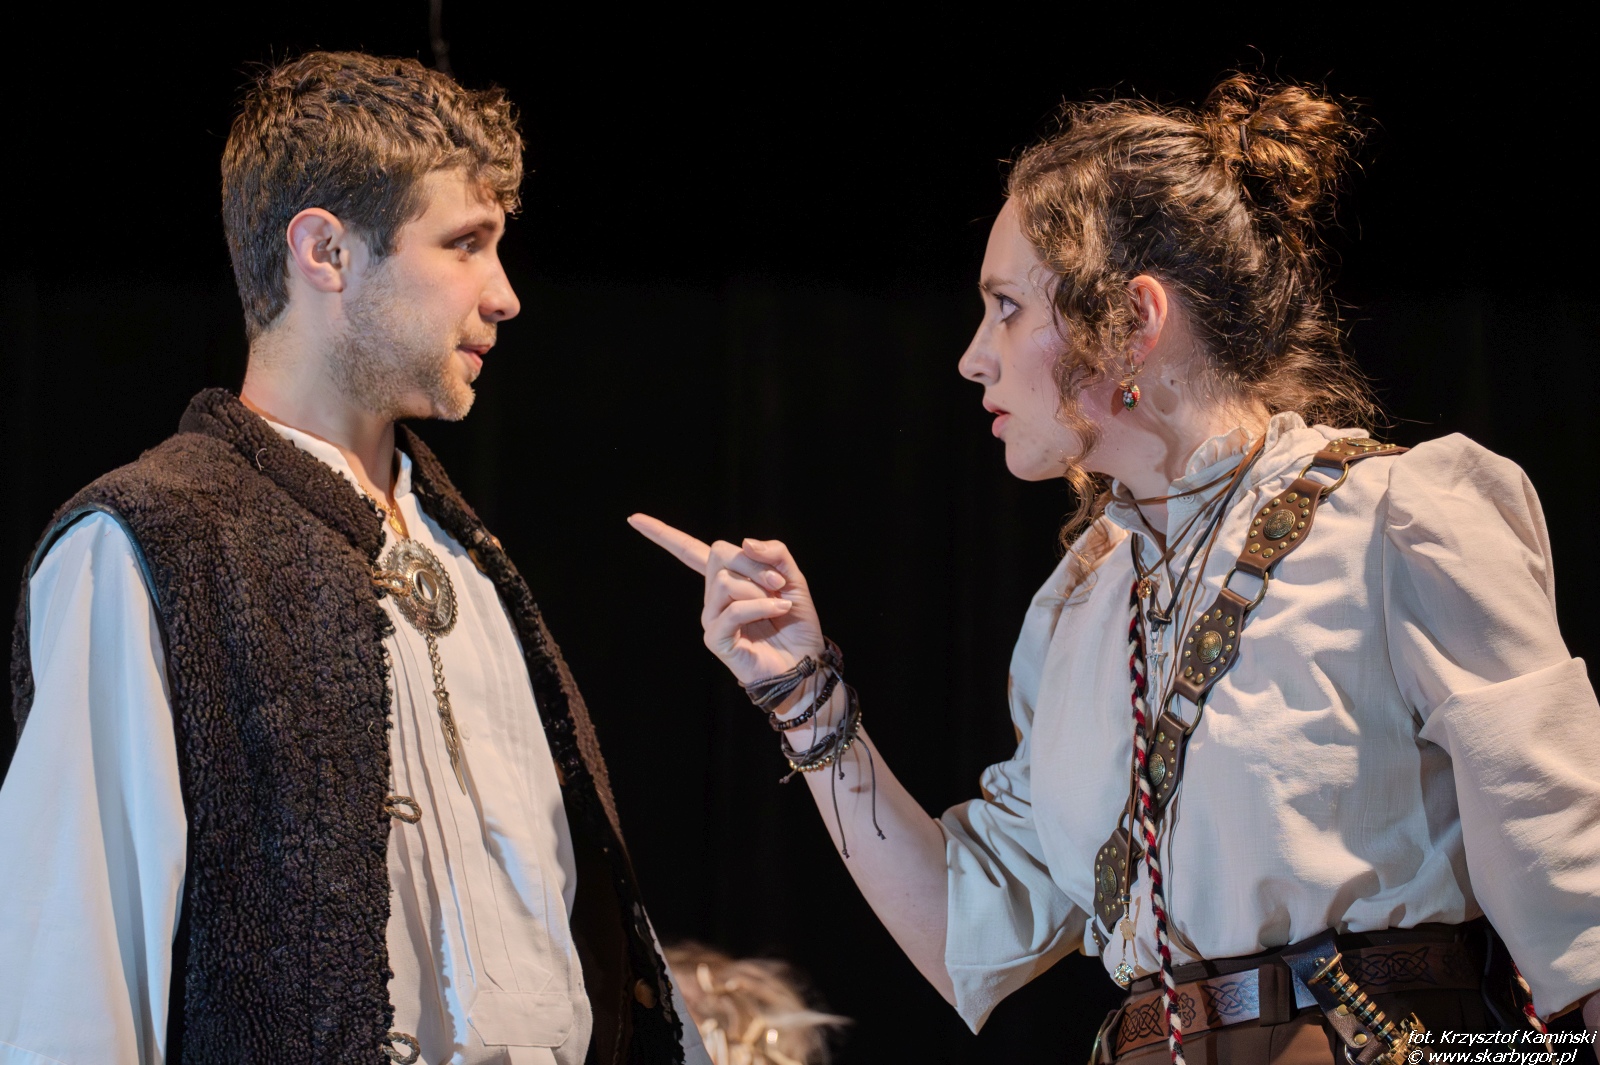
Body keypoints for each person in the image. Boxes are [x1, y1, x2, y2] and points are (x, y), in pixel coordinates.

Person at [630, 74, 1600, 1064]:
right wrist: (805, 699)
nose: (972, 357)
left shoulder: (1400, 519)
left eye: (1006, 308)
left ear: (1134, 320)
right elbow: (968, 931)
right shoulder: (1084, 604)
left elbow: (1574, 882)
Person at [0, 51, 704, 1065]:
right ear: (325, 250)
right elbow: (71, 985)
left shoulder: (470, 562)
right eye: (464, 243)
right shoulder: (148, 542)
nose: (504, 294)